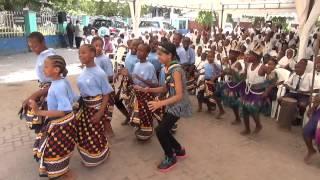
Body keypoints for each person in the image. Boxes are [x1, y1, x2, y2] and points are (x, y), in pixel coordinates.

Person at [143, 42, 191, 171]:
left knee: (160, 130)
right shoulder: (168, 68)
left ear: (169, 55)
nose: (158, 57)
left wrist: (159, 103)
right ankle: (179, 150)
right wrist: (150, 90)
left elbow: (179, 95)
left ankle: (171, 157)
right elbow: (166, 88)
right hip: (172, 103)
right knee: (164, 129)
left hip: (178, 105)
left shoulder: (176, 70)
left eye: (160, 54)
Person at [29, 55, 77, 179]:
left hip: (61, 123)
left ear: (56, 70)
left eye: (46, 66)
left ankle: (64, 173)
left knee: (54, 151)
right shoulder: (61, 81)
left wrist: (38, 111)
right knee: (59, 149)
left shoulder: (59, 86)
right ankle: (63, 172)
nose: (43, 69)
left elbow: (62, 111)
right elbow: (71, 98)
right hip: (63, 121)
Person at [76, 44, 112, 167]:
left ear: (92, 54)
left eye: (84, 52)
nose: (81, 55)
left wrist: (100, 113)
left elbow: (106, 94)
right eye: (79, 53)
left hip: (96, 108)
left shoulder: (100, 73)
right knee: (86, 134)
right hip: (85, 107)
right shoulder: (84, 70)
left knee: (96, 134)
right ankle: (89, 156)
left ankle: (100, 156)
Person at [20, 32, 55, 133]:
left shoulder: (49, 57)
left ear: (43, 42)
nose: (33, 49)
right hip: (45, 87)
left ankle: (47, 138)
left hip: (50, 90)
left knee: (42, 115)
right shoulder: (43, 55)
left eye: (35, 46)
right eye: (30, 47)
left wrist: (33, 95)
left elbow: (55, 82)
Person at [129, 43, 160, 140]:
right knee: (138, 113)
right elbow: (134, 79)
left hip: (146, 94)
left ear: (147, 54)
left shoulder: (149, 66)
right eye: (138, 50)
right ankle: (140, 129)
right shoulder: (136, 64)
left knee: (146, 114)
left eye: (141, 51)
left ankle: (147, 131)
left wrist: (140, 78)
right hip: (137, 93)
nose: (138, 52)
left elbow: (155, 84)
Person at [240, 42, 266, 135]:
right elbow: (246, 76)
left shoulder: (262, 67)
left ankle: (258, 125)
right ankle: (247, 129)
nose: (248, 56)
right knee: (244, 109)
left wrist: (267, 91)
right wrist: (243, 75)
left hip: (257, 93)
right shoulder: (249, 65)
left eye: (251, 54)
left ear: (256, 57)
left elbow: (273, 79)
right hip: (248, 90)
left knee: (253, 108)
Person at [91, 36, 115, 137]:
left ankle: (109, 134)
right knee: (101, 113)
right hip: (97, 90)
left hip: (105, 90)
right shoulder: (93, 58)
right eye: (96, 46)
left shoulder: (105, 59)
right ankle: (106, 132)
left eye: (100, 46)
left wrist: (99, 82)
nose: (98, 48)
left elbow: (110, 76)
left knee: (104, 113)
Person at [203, 51, 225, 118]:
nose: (210, 58)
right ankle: (209, 108)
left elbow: (222, 72)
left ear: (214, 57)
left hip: (213, 82)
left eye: (211, 57)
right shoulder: (205, 64)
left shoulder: (216, 65)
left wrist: (215, 77)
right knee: (207, 96)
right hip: (206, 81)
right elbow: (205, 72)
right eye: (209, 57)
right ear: (207, 57)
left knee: (214, 97)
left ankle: (221, 110)